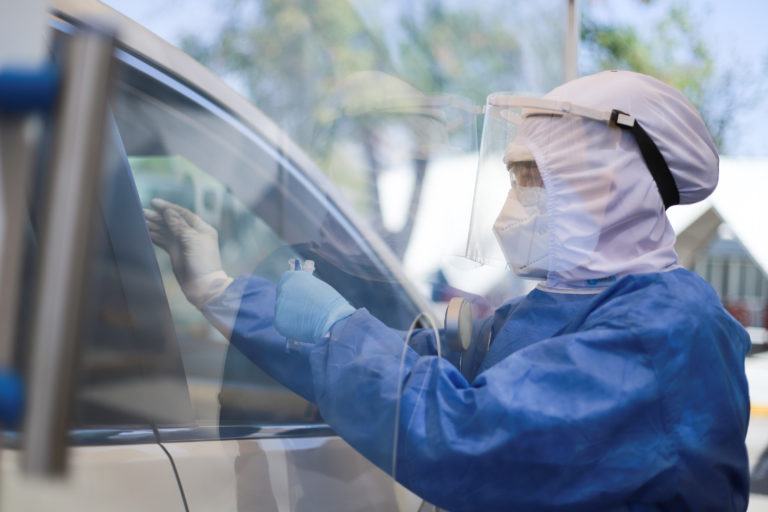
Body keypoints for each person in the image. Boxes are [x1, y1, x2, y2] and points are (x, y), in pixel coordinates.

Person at [145, 70, 751, 511]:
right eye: (512, 178)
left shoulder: (667, 332)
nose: (511, 205)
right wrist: (221, 291)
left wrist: (337, 328)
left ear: (607, 187)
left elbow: (468, 434)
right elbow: (406, 364)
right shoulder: (557, 309)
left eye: (531, 180)